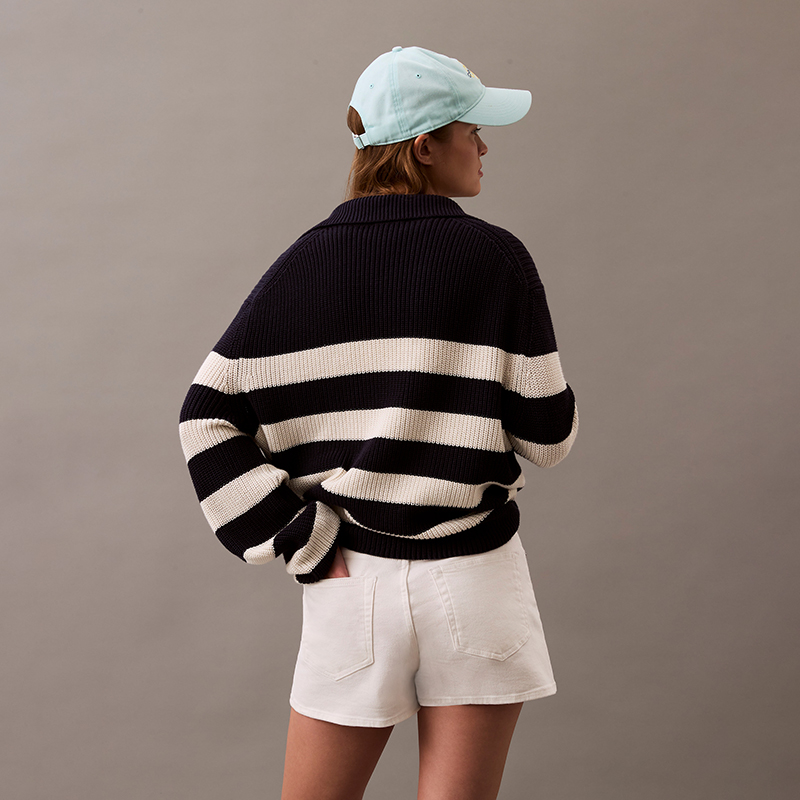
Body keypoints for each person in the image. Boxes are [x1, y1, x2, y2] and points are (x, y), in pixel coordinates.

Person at [179, 45, 578, 800]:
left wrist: (294, 535)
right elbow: (548, 440)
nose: (484, 147)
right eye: (472, 131)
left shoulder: (299, 267)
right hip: (476, 578)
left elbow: (205, 417)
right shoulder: (496, 258)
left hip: (351, 579)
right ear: (425, 147)